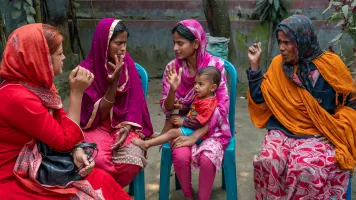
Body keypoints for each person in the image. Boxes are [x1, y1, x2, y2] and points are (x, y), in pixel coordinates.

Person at [0, 24, 131, 200]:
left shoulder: (40, 86)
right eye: (59, 54)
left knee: (101, 179)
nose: (64, 58)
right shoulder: (17, 97)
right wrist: (76, 94)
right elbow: (64, 140)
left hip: (42, 166)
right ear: (41, 58)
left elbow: (64, 126)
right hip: (15, 177)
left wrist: (77, 151)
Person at [247, 14, 356, 199]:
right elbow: (260, 99)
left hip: (318, 133)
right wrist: (255, 66)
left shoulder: (331, 65)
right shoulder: (277, 66)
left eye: (288, 42)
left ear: (303, 41)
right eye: (279, 42)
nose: (281, 48)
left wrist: (338, 126)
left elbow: (349, 102)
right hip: (282, 130)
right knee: (269, 161)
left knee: (304, 168)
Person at [160, 19, 231, 200]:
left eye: (180, 43)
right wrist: (173, 91)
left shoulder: (215, 66)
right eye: (174, 43)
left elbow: (222, 108)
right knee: (180, 154)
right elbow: (168, 110)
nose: (175, 48)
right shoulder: (172, 68)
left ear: (196, 43)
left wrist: (196, 135)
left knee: (208, 160)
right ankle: (188, 195)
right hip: (184, 125)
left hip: (212, 128)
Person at [79, 18, 153, 187]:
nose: (123, 49)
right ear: (104, 43)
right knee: (97, 161)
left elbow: (136, 101)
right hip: (96, 125)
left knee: (132, 162)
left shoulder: (128, 63)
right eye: (118, 43)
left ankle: (106, 190)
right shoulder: (86, 71)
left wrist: (127, 127)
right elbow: (95, 115)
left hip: (123, 123)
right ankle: (110, 190)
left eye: (125, 43)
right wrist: (113, 84)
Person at [133, 66, 221, 150]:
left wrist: (183, 122)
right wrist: (181, 107)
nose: (196, 87)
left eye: (200, 84)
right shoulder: (201, 96)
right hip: (190, 123)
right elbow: (192, 108)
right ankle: (160, 138)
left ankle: (147, 144)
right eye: (195, 83)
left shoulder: (208, 105)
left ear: (212, 87)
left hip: (198, 133)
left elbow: (199, 123)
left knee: (173, 132)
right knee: (172, 118)